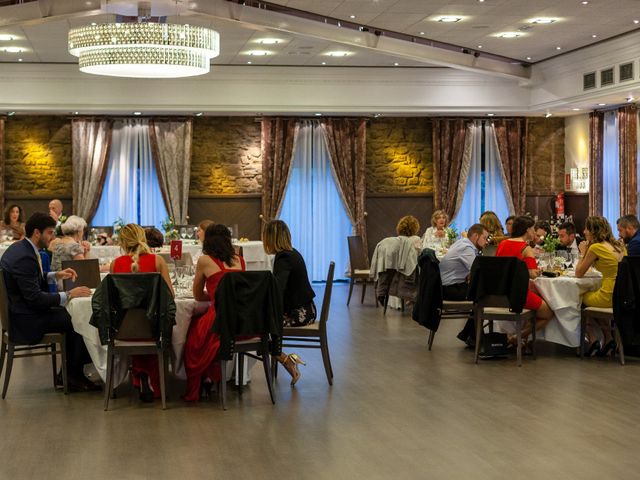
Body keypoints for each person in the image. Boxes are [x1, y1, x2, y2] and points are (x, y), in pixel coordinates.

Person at [0, 212, 96, 391]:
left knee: (73, 315)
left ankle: (69, 373)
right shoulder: (25, 257)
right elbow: (35, 298)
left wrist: (55, 275)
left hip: (22, 311)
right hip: (25, 320)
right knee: (79, 319)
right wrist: (68, 294)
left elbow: (30, 280)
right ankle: (72, 374)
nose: (53, 237)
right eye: (50, 233)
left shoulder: (21, 248)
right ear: (37, 232)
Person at [110, 224, 174, 402]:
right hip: (153, 329)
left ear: (122, 242)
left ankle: (139, 376)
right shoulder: (157, 261)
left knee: (134, 319)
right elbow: (170, 296)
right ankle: (151, 379)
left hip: (124, 330)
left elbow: (114, 302)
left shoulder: (116, 264)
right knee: (154, 321)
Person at [183, 224, 246, 402]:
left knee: (193, 334)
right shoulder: (239, 259)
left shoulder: (204, 260)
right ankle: (213, 376)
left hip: (219, 318)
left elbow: (196, 295)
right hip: (242, 322)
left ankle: (207, 377)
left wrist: (213, 296)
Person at [263, 220, 316, 385]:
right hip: (307, 308)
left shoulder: (284, 258)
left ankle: (286, 360)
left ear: (271, 238)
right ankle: (285, 359)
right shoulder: (292, 253)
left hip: (300, 313)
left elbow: (278, 290)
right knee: (264, 321)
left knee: (260, 326)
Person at [495, 215, 553, 346]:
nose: (534, 232)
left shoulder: (502, 244)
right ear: (527, 230)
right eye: (533, 229)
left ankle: (521, 341)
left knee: (535, 295)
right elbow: (533, 274)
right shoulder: (526, 248)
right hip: (517, 295)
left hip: (500, 293)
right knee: (549, 313)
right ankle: (518, 336)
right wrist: (539, 270)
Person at [577, 216, 625, 356]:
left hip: (609, 295)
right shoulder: (619, 246)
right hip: (621, 295)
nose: (584, 231)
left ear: (593, 231)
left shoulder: (596, 247)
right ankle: (609, 338)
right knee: (592, 299)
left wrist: (583, 252)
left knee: (578, 299)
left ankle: (592, 339)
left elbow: (579, 273)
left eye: (586, 228)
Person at [438, 223, 489, 345]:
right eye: (485, 238)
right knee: (484, 297)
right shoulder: (467, 248)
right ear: (476, 236)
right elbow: (477, 271)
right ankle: (474, 337)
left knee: (480, 294)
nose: (486, 242)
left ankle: (470, 335)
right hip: (450, 289)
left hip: (446, 286)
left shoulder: (462, 243)